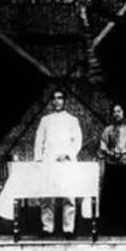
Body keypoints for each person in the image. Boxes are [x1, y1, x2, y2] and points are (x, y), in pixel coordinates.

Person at [34, 88, 83, 237]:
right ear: (51, 101)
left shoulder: (72, 120)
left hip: (66, 162)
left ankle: (68, 229)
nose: (57, 101)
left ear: (64, 101)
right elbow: (39, 141)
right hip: (48, 162)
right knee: (47, 195)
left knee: (68, 195)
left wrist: (67, 155)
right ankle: (47, 227)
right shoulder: (45, 120)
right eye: (54, 98)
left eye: (60, 98)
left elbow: (77, 141)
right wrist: (39, 159)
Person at [99, 103, 126, 235]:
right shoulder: (108, 130)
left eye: (119, 111)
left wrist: (123, 152)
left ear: (123, 112)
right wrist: (110, 152)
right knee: (112, 197)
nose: (116, 114)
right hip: (112, 167)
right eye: (114, 112)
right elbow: (103, 145)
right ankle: (111, 228)